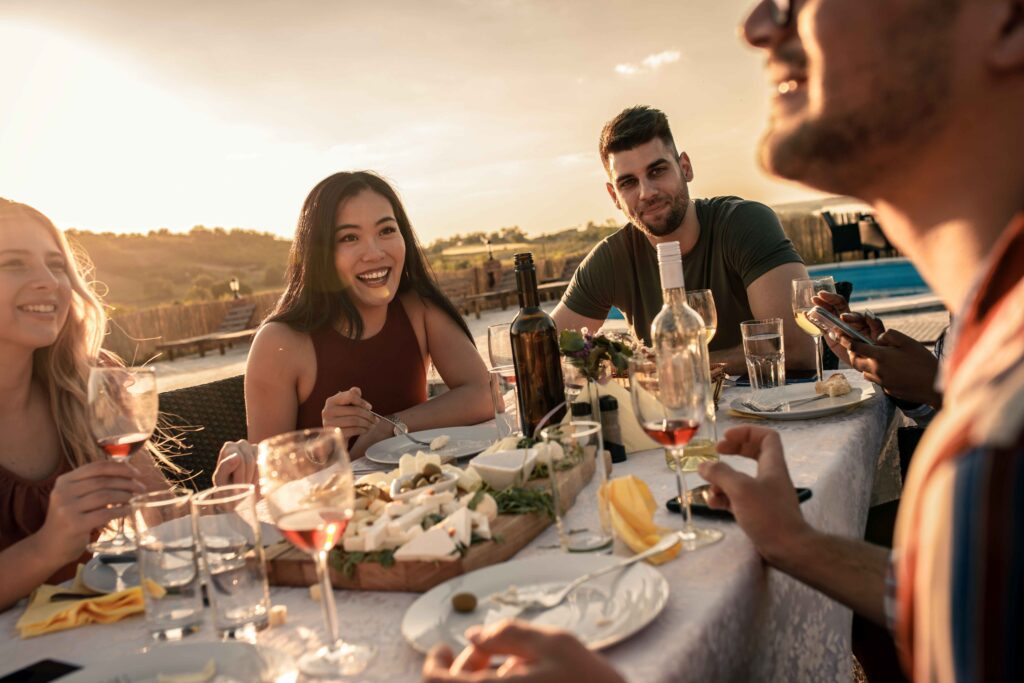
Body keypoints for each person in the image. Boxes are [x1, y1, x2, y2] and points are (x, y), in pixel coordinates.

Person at [426, 0, 1024, 680]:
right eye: (628, 181)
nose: (758, 26)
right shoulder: (989, 364)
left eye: (803, 3)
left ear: (1005, 20)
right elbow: (939, 599)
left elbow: (795, 349)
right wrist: (793, 540)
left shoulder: (1003, 438)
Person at [0, 199, 253, 612]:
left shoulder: (90, 381)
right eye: (13, 263)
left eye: (56, 264)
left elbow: (162, 519)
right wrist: (47, 547)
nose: (49, 281)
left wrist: (224, 502)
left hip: (105, 638)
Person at [551, 105, 815, 374]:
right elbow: (547, 350)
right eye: (628, 183)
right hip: (676, 414)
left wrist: (675, 366)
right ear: (613, 196)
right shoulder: (612, 258)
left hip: (780, 406)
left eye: (657, 171)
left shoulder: (743, 224)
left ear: (685, 168)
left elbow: (799, 350)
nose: (646, 193)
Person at [245, 171, 492, 458]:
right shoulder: (280, 343)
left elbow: (484, 394)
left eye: (386, 230)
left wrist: (390, 428)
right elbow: (264, 478)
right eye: (350, 237)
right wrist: (326, 445)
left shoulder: (418, 309)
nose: (374, 253)